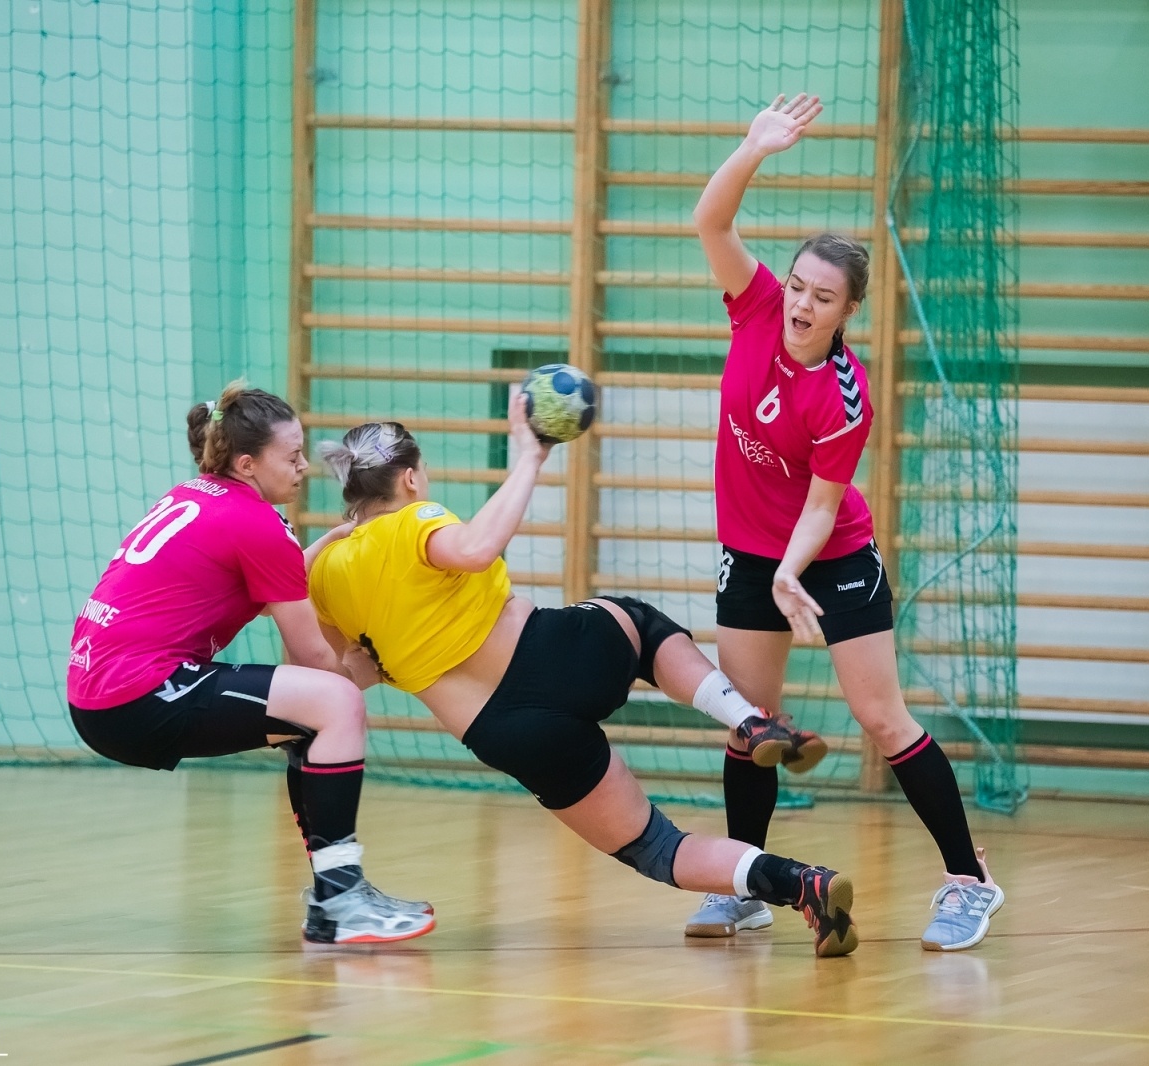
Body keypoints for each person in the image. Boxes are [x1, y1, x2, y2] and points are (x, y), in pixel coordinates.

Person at [308, 401, 860, 958]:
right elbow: (474, 550)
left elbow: (348, 673)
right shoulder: (416, 518)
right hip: (551, 655)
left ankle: (799, 882)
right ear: (408, 477)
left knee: (654, 846)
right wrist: (531, 454)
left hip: (505, 734)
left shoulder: (327, 575)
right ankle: (748, 719)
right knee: (642, 629)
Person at [689, 92, 1003, 951]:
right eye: (796, 286)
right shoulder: (751, 307)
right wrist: (753, 145)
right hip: (754, 557)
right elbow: (710, 223)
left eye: (821, 298)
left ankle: (969, 882)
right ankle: (747, 882)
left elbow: (824, 506)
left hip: (833, 559)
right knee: (750, 722)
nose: (799, 305)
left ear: (845, 311)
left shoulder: (842, 396)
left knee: (881, 719)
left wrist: (795, 571)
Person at [65, 381, 434, 945]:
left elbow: (249, 590)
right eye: (290, 457)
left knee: (310, 716)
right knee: (334, 703)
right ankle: (342, 899)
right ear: (247, 463)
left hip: (104, 694)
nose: (305, 466)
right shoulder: (259, 524)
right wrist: (382, 666)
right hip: (139, 696)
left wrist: (315, 553)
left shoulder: (196, 494)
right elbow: (313, 659)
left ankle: (334, 898)